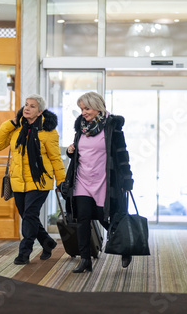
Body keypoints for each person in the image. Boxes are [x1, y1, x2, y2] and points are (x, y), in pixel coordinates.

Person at [0, 94, 66, 265]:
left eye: (32, 106)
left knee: (30, 215)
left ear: (40, 111)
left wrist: (61, 181)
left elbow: (55, 158)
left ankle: (24, 252)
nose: (27, 108)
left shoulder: (48, 132)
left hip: (40, 182)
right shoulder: (16, 130)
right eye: (26, 105)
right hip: (18, 182)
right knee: (28, 217)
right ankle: (48, 242)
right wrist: (11, 123)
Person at [66, 91, 133, 273]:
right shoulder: (81, 126)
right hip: (82, 179)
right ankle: (85, 259)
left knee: (107, 218)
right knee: (83, 219)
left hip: (104, 180)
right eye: (81, 109)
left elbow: (121, 154)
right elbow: (79, 151)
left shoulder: (111, 126)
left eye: (87, 108)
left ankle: (125, 247)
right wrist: (71, 151)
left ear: (98, 107)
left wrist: (127, 179)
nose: (84, 112)